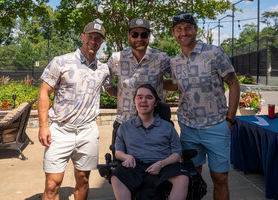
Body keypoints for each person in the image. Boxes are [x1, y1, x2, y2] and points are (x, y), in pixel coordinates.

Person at [170, 12, 240, 200]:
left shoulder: (214, 52)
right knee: (192, 178)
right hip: (188, 128)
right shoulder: (174, 61)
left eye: (187, 28)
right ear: (173, 34)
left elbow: (233, 84)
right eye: (178, 29)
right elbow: (176, 85)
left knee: (219, 178)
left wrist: (230, 120)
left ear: (195, 30)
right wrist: (148, 81)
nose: (183, 33)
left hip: (216, 126)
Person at [38, 21, 109, 200]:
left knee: (84, 180)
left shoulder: (103, 69)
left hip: (87, 131)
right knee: (52, 185)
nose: (93, 41)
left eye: (98, 38)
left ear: (101, 43)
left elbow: (114, 91)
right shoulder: (61, 62)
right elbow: (44, 93)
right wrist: (43, 126)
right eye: (90, 37)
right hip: (60, 131)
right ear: (82, 37)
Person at [110, 83, 189, 200]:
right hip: (135, 165)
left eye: (149, 97)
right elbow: (118, 152)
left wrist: (161, 164)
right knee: (116, 176)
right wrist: (127, 157)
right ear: (135, 102)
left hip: (163, 165)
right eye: (140, 97)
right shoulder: (125, 127)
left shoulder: (167, 127)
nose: (144, 101)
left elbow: (177, 155)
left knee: (183, 178)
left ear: (155, 103)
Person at [105, 17, 171, 148]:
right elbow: (107, 83)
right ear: (129, 36)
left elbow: (175, 81)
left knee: (155, 165)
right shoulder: (117, 58)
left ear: (149, 36)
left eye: (143, 34)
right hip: (124, 123)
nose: (139, 38)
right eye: (135, 34)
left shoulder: (161, 58)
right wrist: (122, 94)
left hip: (154, 125)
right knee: (121, 165)